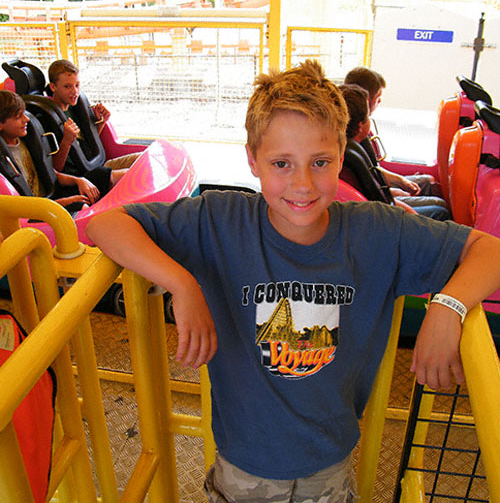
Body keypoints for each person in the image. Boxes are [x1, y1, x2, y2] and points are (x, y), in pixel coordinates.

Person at [86, 60, 500, 503]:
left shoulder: (378, 231)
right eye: (282, 163)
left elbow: (489, 250)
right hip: (242, 465)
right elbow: (105, 224)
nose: (302, 184)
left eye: (319, 162)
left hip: (330, 463)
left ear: (342, 156)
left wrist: (449, 305)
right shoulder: (220, 219)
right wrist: (183, 284)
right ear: (252, 161)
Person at [343, 67, 450, 213]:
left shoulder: (354, 144)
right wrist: (394, 194)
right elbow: (373, 195)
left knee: (429, 183)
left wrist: (399, 183)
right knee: (440, 209)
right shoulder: (351, 153)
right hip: (381, 206)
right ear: (361, 124)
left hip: (383, 197)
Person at [46, 60, 139, 188]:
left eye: (77, 85)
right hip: (80, 177)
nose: (74, 91)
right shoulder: (47, 118)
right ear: (53, 87)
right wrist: (66, 142)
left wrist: (101, 122)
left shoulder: (75, 108)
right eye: (67, 86)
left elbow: (89, 145)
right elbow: (54, 169)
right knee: (137, 174)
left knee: (143, 160)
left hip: (94, 165)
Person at [0, 91, 99, 211]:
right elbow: (21, 207)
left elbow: (51, 173)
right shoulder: (3, 160)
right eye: (18, 117)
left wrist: (78, 180)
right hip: (37, 212)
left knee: (103, 177)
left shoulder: (24, 143)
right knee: (82, 207)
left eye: (24, 114)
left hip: (52, 197)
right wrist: (62, 202)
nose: (26, 119)